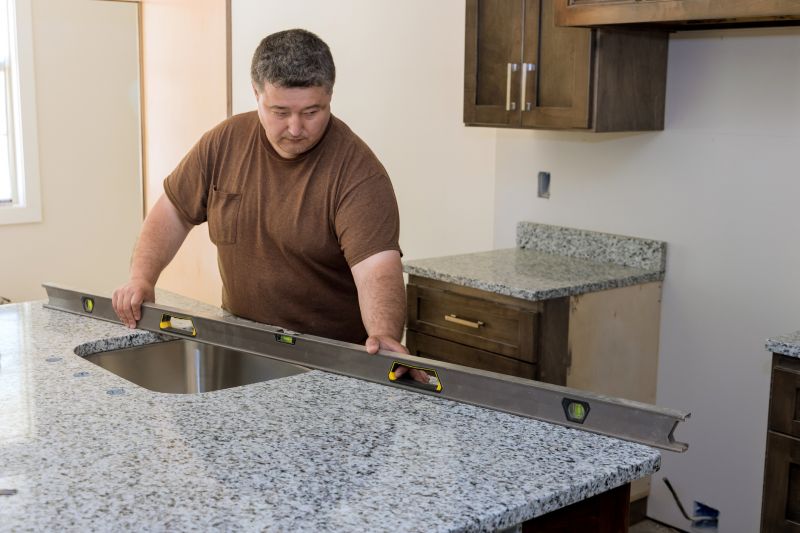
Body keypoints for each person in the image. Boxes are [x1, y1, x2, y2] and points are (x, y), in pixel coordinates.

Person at [112, 29, 424, 380]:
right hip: (241, 343)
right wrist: (141, 278)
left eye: (311, 111)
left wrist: (382, 334)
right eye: (280, 112)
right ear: (256, 94)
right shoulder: (224, 142)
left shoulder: (357, 172)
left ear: (330, 97)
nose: (295, 128)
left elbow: (377, 268)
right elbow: (171, 212)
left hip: (327, 360)